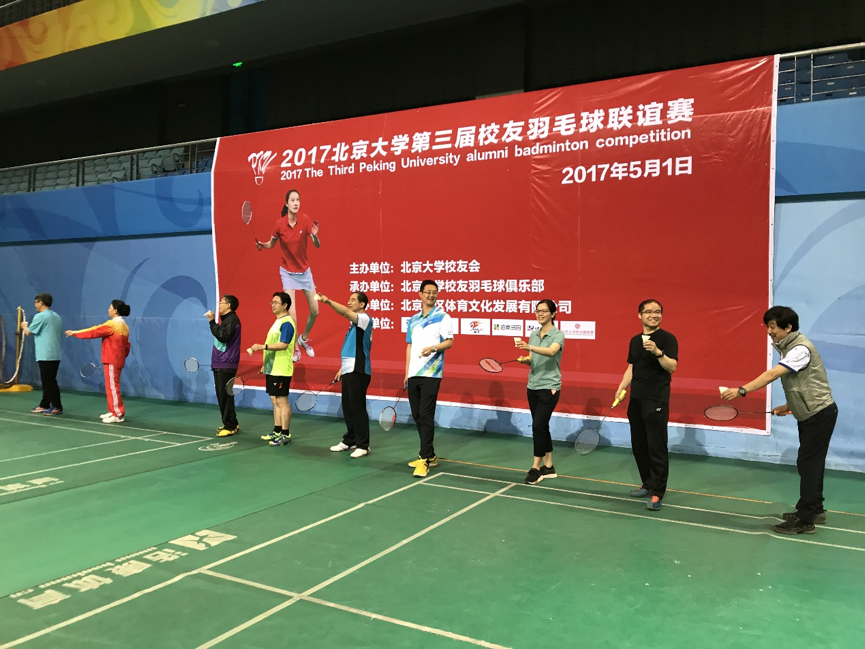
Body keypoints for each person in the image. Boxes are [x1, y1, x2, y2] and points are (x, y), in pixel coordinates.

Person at [722, 306, 838, 535]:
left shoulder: (800, 349)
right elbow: (803, 383)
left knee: (809, 464)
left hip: (819, 414)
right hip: (811, 413)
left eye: (773, 326)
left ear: (788, 327)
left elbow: (773, 374)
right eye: (767, 326)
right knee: (809, 464)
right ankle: (815, 509)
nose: (769, 331)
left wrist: (742, 390)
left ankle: (805, 520)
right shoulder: (789, 347)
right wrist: (789, 405)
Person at [615, 299, 678, 511]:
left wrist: (658, 352)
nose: (654, 315)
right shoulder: (635, 340)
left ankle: (658, 492)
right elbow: (631, 367)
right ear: (640, 315)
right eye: (649, 312)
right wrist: (622, 387)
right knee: (639, 445)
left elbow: (672, 367)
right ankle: (647, 483)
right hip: (636, 398)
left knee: (656, 446)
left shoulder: (667, 339)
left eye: (657, 312)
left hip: (656, 398)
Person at [256, 189, 320, 363]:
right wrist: (262, 245)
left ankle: (303, 338)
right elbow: (271, 244)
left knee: (315, 310)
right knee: (292, 315)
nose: (296, 203)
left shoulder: (305, 220)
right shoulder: (279, 224)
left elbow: (317, 245)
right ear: (286, 203)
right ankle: (295, 349)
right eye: (292, 200)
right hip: (288, 273)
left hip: (304, 272)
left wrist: (315, 236)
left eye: (298, 199)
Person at [404, 280, 454, 477]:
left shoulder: (443, 317)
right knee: (417, 415)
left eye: (434, 292)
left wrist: (433, 348)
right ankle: (430, 455)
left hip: (431, 373)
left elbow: (449, 342)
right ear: (420, 294)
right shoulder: (413, 319)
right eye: (427, 292)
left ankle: (424, 459)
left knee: (425, 415)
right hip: (414, 373)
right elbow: (409, 346)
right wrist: (406, 372)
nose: (431, 295)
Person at [516, 299, 564, 485]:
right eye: (538, 311)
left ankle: (536, 468)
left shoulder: (558, 335)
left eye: (544, 311)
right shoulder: (534, 334)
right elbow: (534, 358)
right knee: (542, 426)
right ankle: (549, 466)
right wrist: (526, 360)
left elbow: (551, 352)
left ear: (553, 314)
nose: (540, 314)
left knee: (537, 426)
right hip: (533, 386)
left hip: (549, 387)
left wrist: (529, 347)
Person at [320, 291, 374, 458]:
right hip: (349, 369)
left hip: (359, 370)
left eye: (353, 300)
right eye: (348, 299)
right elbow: (352, 349)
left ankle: (363, 445)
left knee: (357, 408)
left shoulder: (364, 319)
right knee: (348, 407)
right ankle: (350, 440)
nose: (349, 302)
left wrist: (328, 301)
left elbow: (344, 312)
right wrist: (342, 368)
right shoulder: (354, 325)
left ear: (362, 304)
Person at [66, 299, 131, 423]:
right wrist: (120, 357)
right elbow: (127, 346)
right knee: (110, 386)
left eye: (110, 307)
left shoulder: (113, 324)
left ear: (115, 311)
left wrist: (75, 333)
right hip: (115, 359)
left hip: (112, 359)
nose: (108, 309)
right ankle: (112, 411)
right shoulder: (125, 326)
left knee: (113, 387)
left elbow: (94, 331)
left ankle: (118, 414)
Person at [247, 292, 297, 447]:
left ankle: (285, 434)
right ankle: (277, 431)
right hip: (272, 367)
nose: (273, 305)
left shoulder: (287, 322)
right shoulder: (278, 321)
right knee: (275, 400)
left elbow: (284, 345)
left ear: (285, 305)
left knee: (282, 401)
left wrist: (263, 346)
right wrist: (267, 364)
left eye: (276, 302)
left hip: (281, 369)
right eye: (272, 302)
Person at [22, 293, 63, 416]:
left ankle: (57, 406)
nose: (35, 305)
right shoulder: (57, 317)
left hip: (46, 354)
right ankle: (44, 404)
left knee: (49, 382)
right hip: (55, 354)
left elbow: (28, 332)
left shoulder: (40, 316)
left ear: (41, 302)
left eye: (36, 302)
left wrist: (24, 326)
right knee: (47, 381)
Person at [206, 294, 242, 437]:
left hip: (226, 363)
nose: (219, 304)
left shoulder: (232, 320)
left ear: (229, 305)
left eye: (221, 302)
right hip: (221, 362)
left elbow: (223, 336)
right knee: (224, 394)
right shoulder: (227, 320)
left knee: (224, 395)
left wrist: (211, 322)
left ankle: (230, 426)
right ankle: (232, 422)